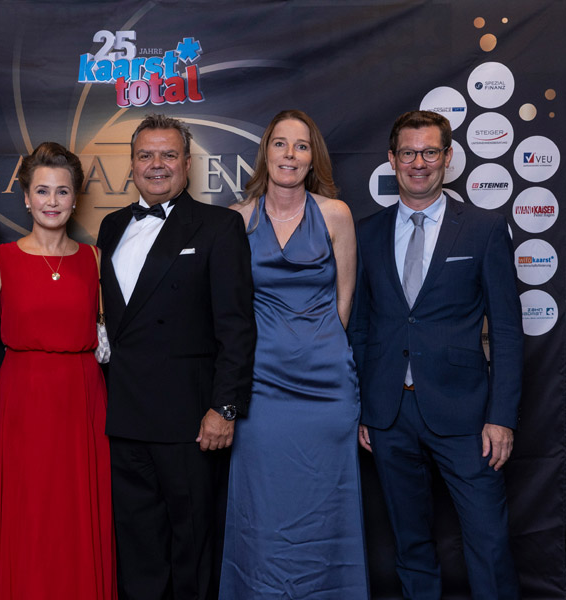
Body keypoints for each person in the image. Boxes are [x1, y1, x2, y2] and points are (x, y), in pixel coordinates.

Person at [350, 110, 523, 599]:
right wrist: (364, 408)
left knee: (488, 541)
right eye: (408, 153)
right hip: (388, 414)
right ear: (392, 159)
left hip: (467, 414)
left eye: (429, 152)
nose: (419, 163)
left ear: (447, 157)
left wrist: (502, 418)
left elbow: (507, 331)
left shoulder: (484, 228)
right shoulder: (367, 232)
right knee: (410, 543)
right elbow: (360, 326)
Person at [97, 114, 256, 600]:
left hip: (190, 420)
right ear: (131, 164)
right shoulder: (111, 226)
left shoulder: (219, 226)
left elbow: (236, 327)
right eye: (146, 155)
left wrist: (224, 408)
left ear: (188, 163)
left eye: (168, 154)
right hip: (124, 417)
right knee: (137, 550)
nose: (157, 164)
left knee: (192, 547)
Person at [219, 109, 369, 598]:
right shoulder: (239, 219)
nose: (290, 154)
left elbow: (345, 300)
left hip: (326, 388)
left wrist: (316, 349)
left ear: (312, 157)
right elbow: (231, 307)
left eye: (301, 146)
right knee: (262, 507)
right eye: (280, 143)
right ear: (266, 152)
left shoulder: (335, 214)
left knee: (326, 507)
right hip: (261, 387)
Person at [0, 142, 116, 599]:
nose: (52, 201)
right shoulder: (1, 259)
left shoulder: (94, 259)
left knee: (75, 512)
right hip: (23, 400)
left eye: (62, 191)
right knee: (29, 512)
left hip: (81, 401)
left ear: (75, 198)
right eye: (42, 191)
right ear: (26, 197)